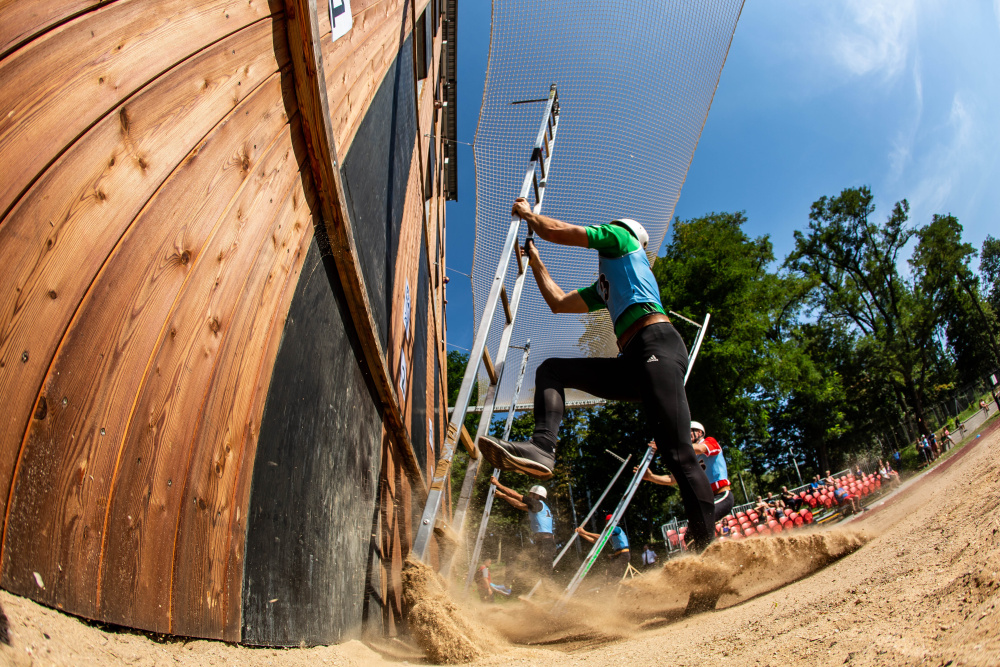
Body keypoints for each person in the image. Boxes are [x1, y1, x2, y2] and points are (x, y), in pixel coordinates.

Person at [477, 199, 716, 551]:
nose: (603, 237)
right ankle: (543, 448)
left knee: (678, 454)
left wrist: (529, 215)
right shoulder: (605, 286)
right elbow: (558, 302)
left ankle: (706, 547)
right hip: (634, 358)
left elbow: (558, 231)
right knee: (552, 370)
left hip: (657, 346)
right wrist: (536, 260)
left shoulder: (622, 238)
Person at [638, 421, 735, 522]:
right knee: (692, 530)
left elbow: (700, 449)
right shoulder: (687, 457)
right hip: (708, 500)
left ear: (699, 433)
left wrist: (666, 446)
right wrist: (651, 477)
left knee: (703, 518)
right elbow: (672, 479)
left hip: (722, 495)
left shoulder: (710, 441)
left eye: (689, 431)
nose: (686, 435)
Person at [490, 478, 556, 579]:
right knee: (538, 567)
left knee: (545, 571)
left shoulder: (536, 503)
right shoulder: (538, 506)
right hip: (544, 541)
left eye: (530, 494)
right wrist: (502, 496)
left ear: (536, 495)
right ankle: (515, 587)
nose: (528, 496)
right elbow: (518, 504)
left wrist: (497, 484)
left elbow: (516, 495)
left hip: (545, 542)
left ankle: (551, 592)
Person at [576, 515, 631, 583]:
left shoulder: (616, 529)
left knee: (612, 574)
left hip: (623, 554)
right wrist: (581, 534)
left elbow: (600, 537)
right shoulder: (610, 533)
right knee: (610, 575)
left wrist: (585, 532)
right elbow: (595, 540)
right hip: (618, 555)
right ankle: (619, 585)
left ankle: (627, 584)